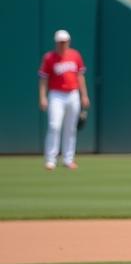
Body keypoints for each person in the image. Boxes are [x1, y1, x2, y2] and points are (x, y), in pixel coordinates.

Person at [38, 28, 90, 171]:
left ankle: (68, 159)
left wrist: (84, 95)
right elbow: (44, 79)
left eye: (65, 42)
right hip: (56, 95)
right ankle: (50, 160)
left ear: (69, 42)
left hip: (73, 94)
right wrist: (42, 97)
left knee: (71, 128)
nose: (63, 44)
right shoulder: (49, 57)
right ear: (56, 42)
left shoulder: (75, 55)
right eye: (60, 42)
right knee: (54, 126)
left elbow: (80, 76)